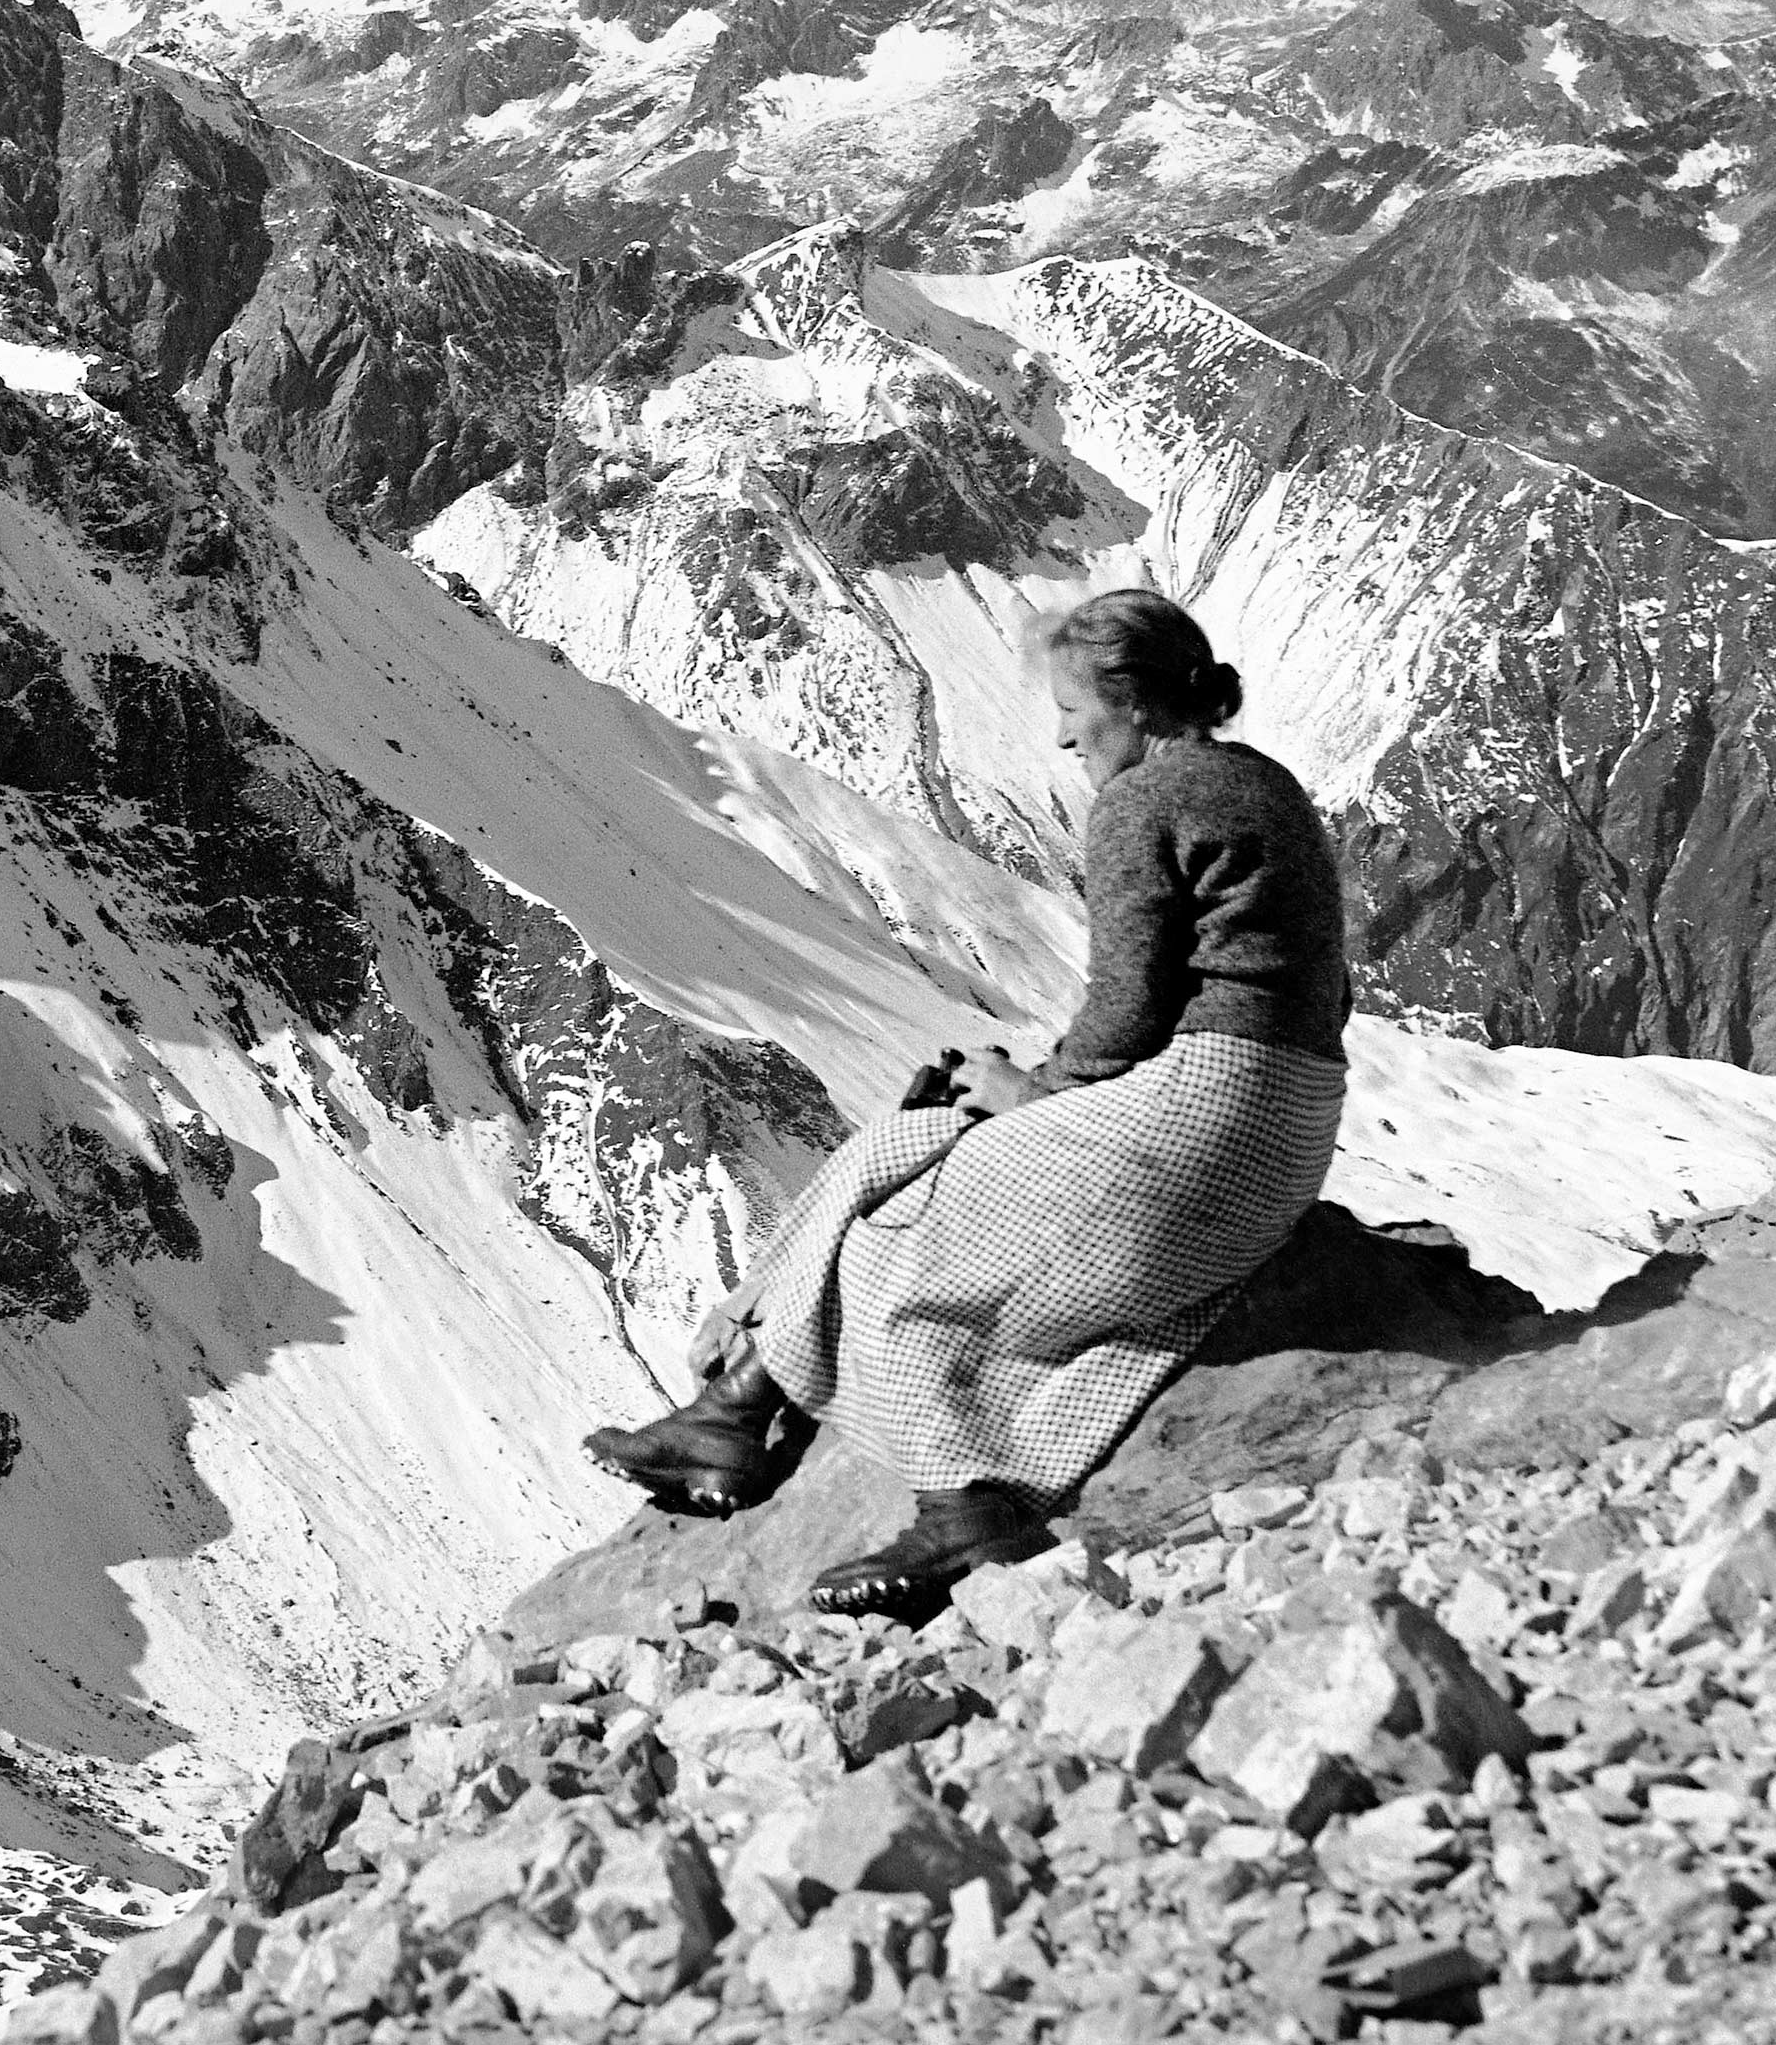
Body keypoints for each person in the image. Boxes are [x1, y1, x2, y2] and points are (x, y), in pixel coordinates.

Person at [579, 586, 1352, 1617]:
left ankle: (957, 1504)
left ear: (1126, 701)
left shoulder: (1141, 799)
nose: (1062, 731)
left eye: (1073, 706)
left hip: (1203, 1109)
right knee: (933, 1139)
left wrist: (1031, 1090)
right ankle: (730, 1410)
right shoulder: (1262, 782)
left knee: (908, 1222)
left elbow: (1122, 1011)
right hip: (1289, 1122)